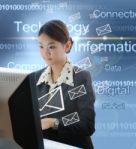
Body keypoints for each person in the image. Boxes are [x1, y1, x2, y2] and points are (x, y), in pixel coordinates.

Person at [34, 20, 95, 149]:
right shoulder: (35, 78)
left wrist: (54, 122)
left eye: (51, 46)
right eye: (41, 46)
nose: (45, 53)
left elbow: (87, 124)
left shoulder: (80, 77)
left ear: (67, 46)